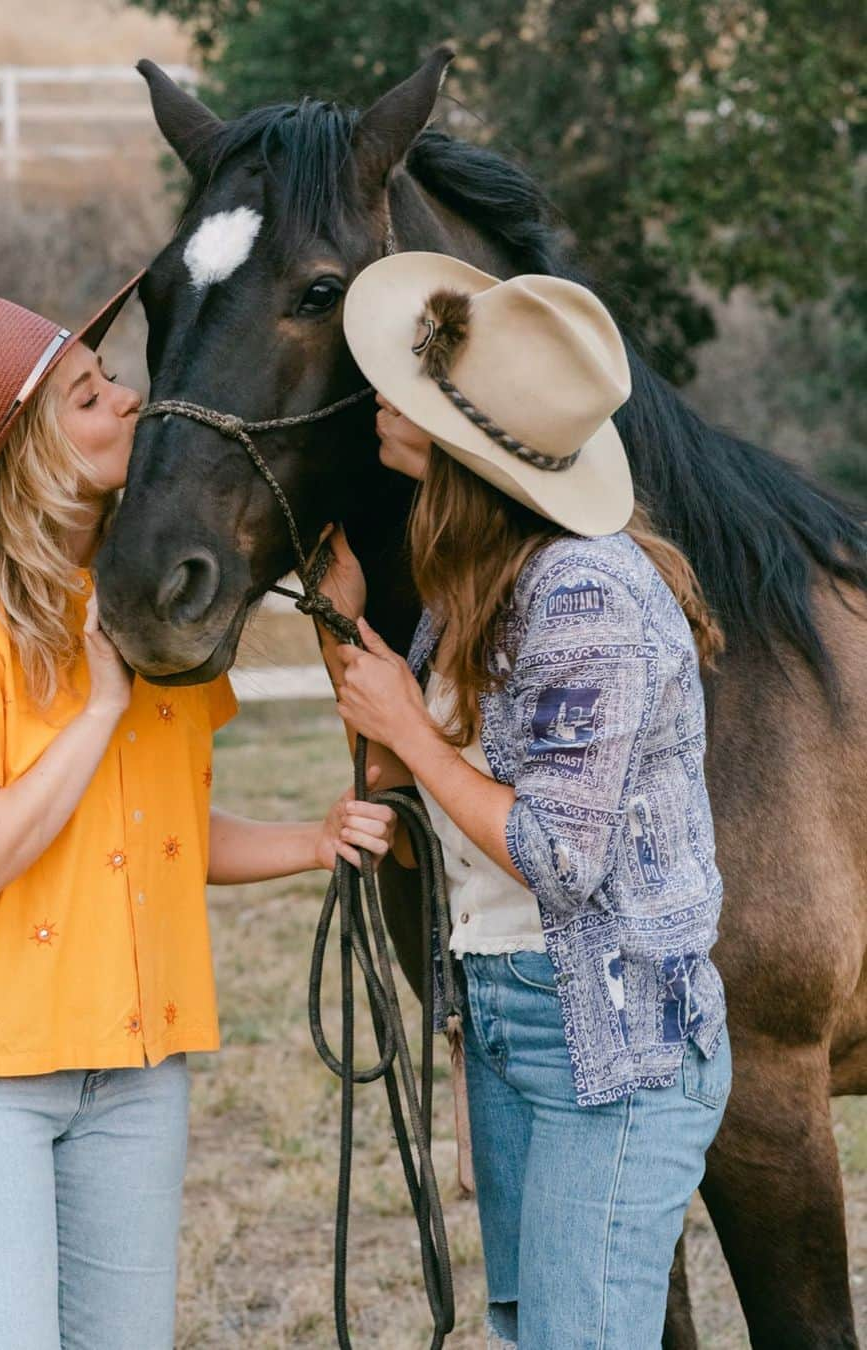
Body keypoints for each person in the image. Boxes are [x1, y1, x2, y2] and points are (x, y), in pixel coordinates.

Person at [0, 273, 395, 1350]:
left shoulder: (144, 607)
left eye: (115, 380)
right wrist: (99, 707)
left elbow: (160, 839)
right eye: (89, 398)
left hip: (136, 1072)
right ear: (33, 455)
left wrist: (314, 838)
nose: (131, 401)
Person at [317, 253, 730, 1349]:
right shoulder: (475, 585)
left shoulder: (582, 593)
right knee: (527, 1330)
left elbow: (557, 854)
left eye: (412, 391)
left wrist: (406, 724)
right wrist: (342, 633)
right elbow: (416, 792)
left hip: (604, 1032)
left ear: (466, 450)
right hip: (510, 1014)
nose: (382, 400)